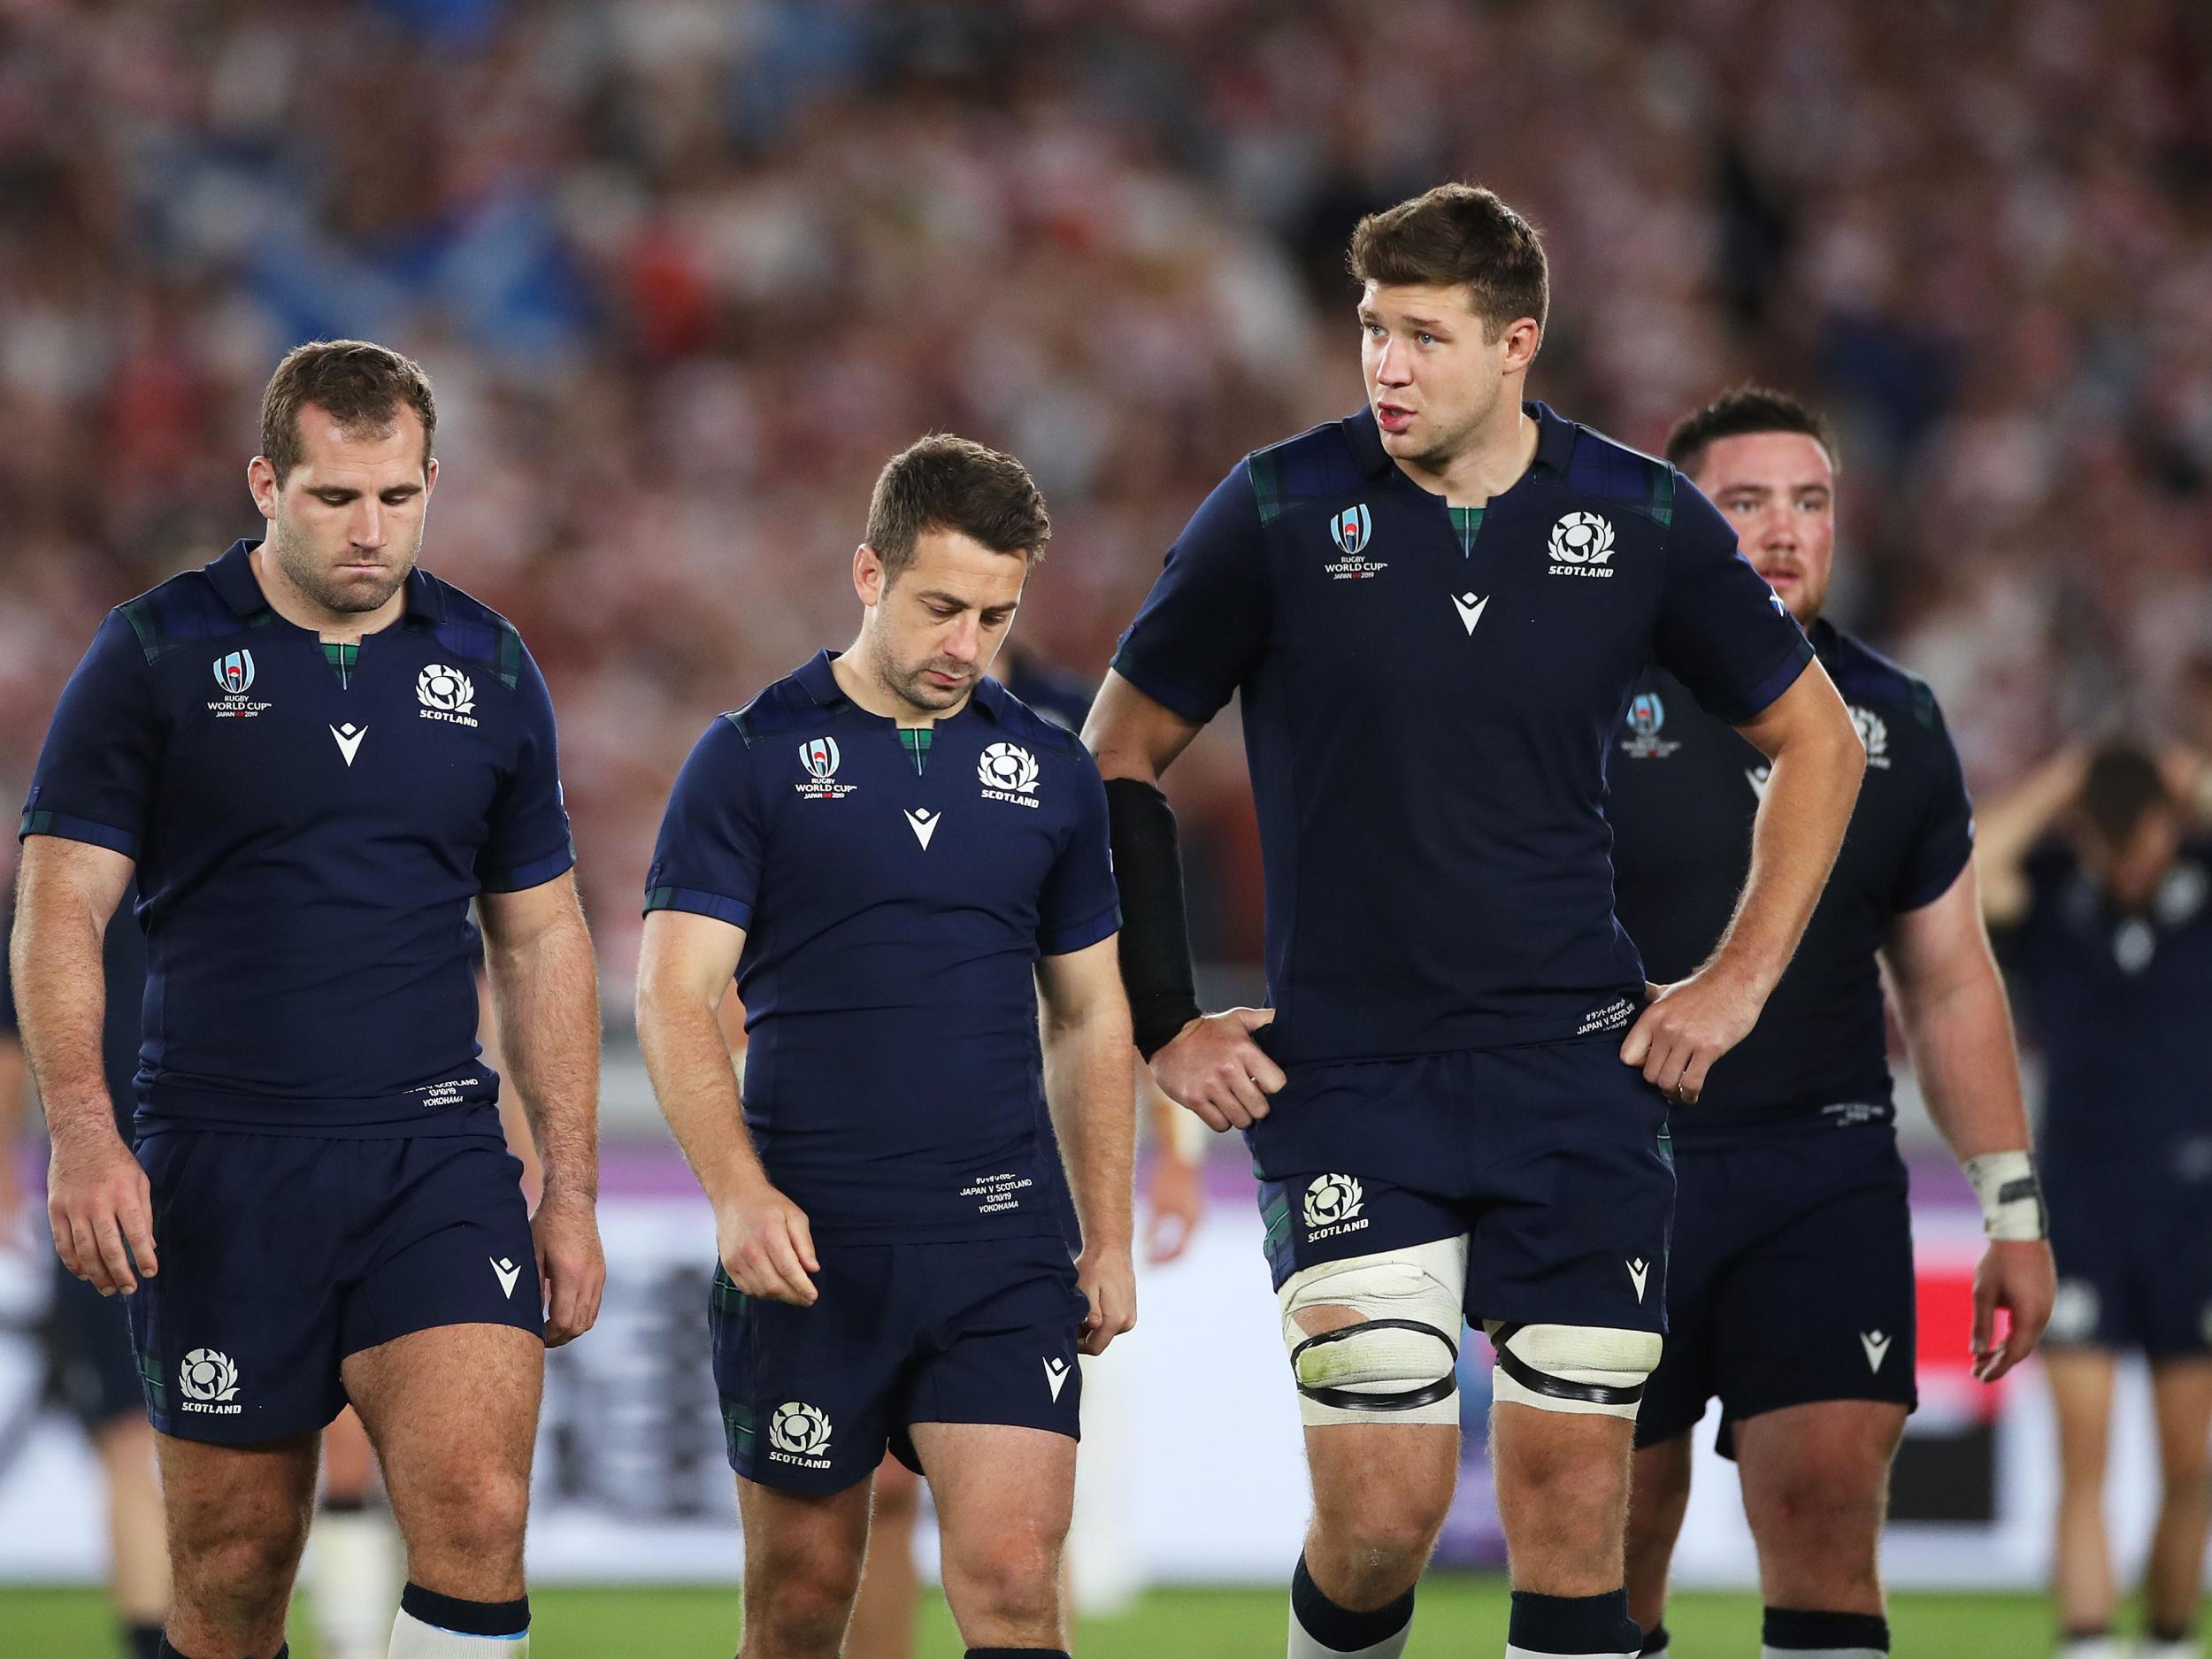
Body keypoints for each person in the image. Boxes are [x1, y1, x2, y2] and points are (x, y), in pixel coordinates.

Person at [1083, 182, 1867, 1659]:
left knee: (1577, 1518)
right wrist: (1164, 1018)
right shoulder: (1277, 509)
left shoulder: (1638, 515)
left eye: (1425, 336)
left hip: (1573, 1074)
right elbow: (1118, 751)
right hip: (1352, 1082)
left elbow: (1820, 743)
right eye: (1374, 330)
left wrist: (1737, 982)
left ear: (1517, 345)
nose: (1387, 364)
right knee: (1382, 1521)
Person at [11, 338, 605, 1659]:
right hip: (219, 1157)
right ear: (266, 481)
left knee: (476, 1504)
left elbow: (543, 935)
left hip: (433, 1152)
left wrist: (569, 1180)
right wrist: (86, 1132)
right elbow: (61, 903)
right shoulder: (156, 651)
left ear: (432, 482)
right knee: (230, 1570)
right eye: (335, 498)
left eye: (397, 497)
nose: (369, 530)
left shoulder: (492, 665)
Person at [634, 434, 1138, 1659]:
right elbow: (673, 993)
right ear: (869, 573)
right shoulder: (748, 755)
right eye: (942, 606)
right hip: (810, 1256)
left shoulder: (1052, 771)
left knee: (1018, 1586)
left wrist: (1110, 1233)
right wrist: (739, 1192)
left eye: (996, 615)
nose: (967, 643)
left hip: (1001, 1249)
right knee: (802, 1609)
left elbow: (1090, 1011)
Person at [1605, 387, 2056, 1659]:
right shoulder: (1591, 693)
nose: (1785, 528)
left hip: (1825, 1169)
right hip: (1618, 1168)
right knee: (1611, 1542)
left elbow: (1952, 977)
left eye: (1810, 501)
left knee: (1824, 1520)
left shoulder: (1897, 719)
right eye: (1745, 502)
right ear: (1684, 524)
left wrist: (2011, 1208)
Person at [1978, 741, 2212, 1659]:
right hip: (2077, 1202)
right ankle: (2086, 1644)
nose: (2129, 862)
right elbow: (1969, 862)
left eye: (2143, 840)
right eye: (2110, 843)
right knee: (2085, 1457)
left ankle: (2163, 1639)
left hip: (2194, 1214)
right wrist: (2062, 777)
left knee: (2191, 1466)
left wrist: (2187, 780)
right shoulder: (2050, 898)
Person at [0, 879, 168, 1659]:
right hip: (213, 1174)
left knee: (132, 1441)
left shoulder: (60, 853)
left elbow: (10, 1037)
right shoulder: (236, 823)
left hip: (100, 1182)